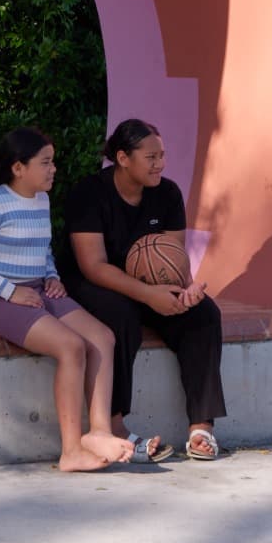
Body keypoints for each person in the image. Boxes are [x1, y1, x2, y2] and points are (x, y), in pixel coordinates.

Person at [0, 126, 135, 472]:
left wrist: (51, 277)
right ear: (18, 167)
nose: (53, 169)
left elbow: (42, 249)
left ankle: (98, 432)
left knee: (103, 337)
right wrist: (11, 291)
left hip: (36, 287)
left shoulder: (41, 199)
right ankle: (71, 451)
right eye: (45, 162)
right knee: (71, 346)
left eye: (53, 162)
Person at [57, 117, 226, 461]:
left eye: (162, 155)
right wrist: (148, 295)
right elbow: (93, 265)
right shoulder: (89, 193)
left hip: (149, 283)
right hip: (91, 281)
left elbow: (173, 259)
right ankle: (116, 427)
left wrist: (185, 291)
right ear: (123, 158)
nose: (160, 164)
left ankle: (201, 427)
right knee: (121, 316)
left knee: (204, 313)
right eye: (151, 157)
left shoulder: (167, 193)